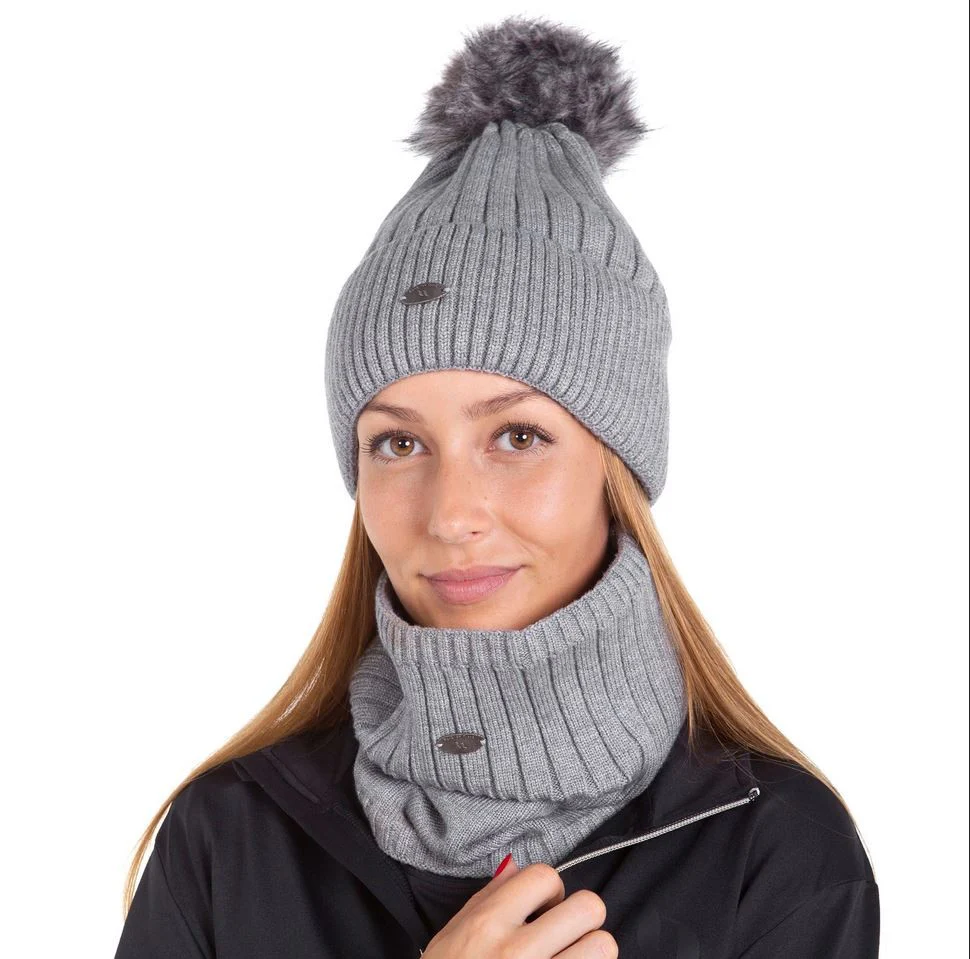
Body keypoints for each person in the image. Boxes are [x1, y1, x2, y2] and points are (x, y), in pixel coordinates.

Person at [114, 15, 880, 959]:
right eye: (398, 443)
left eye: (518, 436)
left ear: (617, 464)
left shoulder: (776, 850)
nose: (451, 514)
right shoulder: (227, 835)